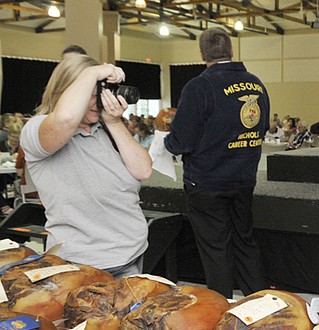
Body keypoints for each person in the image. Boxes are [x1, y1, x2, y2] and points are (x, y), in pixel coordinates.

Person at [19, 55, 152, 277]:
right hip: (82, 264)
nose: (97, 102)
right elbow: (65, 119)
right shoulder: (37, 129)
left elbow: (143, 170)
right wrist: (91, 73)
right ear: (65, 93)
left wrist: (113, 122)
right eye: (90, 96)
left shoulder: (104, 128)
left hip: (130, 255)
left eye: (100, 95)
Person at [164, 27, 269, 299]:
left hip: (207, 182)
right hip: (244, 179)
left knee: (216, 248)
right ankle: (262, 304)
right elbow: (261, 128)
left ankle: (220, 307)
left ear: (201, 54)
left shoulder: (200, 87)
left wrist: (166, 142)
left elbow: (182, 141)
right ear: (232, 50)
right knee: (245, 242)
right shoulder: (256, 84)